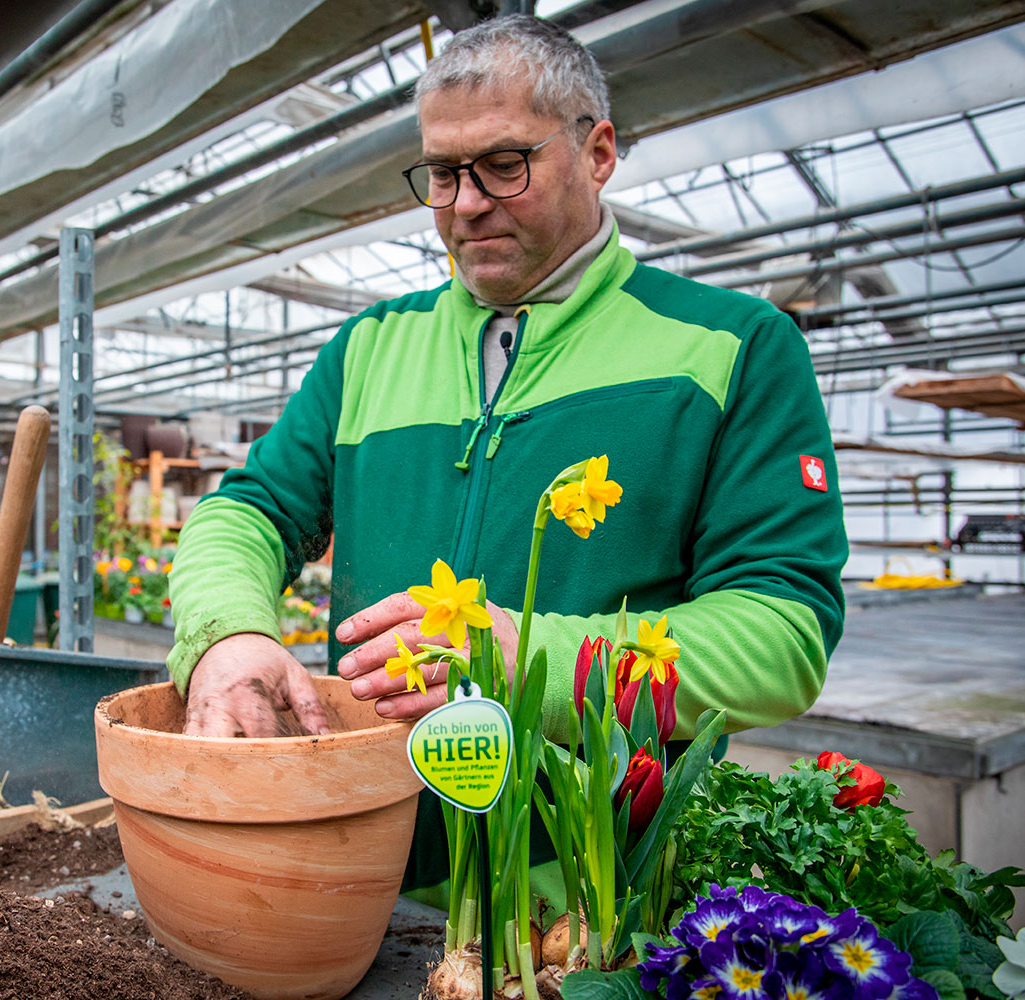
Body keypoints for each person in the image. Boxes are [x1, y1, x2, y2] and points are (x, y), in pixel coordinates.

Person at [165, 14, 847, 890]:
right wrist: (229, 635)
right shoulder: (372, 348)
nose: (466, 202)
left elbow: (780, 636)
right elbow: (246, 510)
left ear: (598, 152)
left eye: (503, 164)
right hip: (371, 873)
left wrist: (527, 662)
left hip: (591, 900)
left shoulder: (729, 347)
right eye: (443, 173)